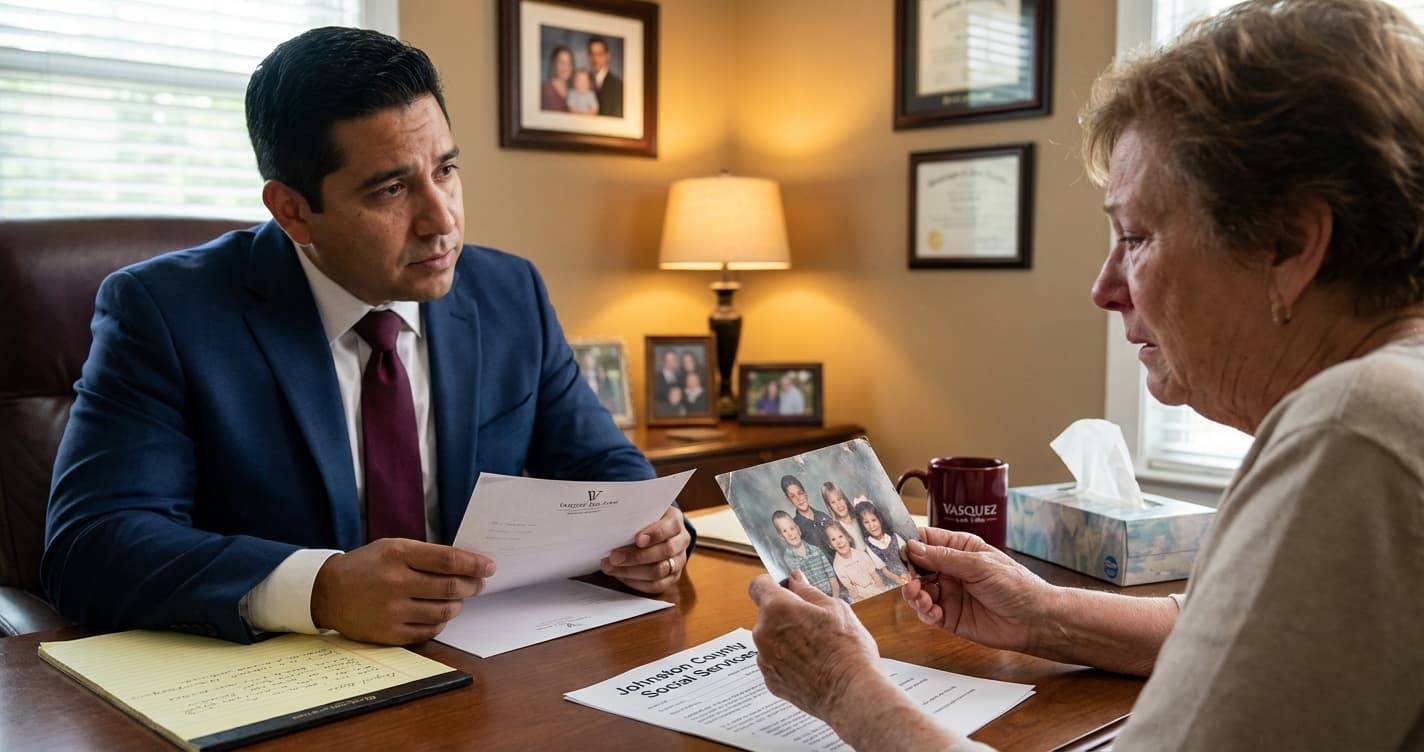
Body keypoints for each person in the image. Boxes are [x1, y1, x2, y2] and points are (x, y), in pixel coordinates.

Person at [747, 1, 1424, 748]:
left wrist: (845, 689)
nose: (1105, 288)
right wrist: (1044, 613)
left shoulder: (1357, 429)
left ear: (1290, 242)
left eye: (1136, 237)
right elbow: (1243, 636)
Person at [42, 27, 692, 647]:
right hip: (283, 680)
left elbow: (601, 469)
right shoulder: (165, 313)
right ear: (292, 211)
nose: (441, 221)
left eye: (445, 170)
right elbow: (93, 544)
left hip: (492, 666)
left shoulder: (508, 292)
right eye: (391, 189)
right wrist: (319, 590)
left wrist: (657, 535)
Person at [823, 521, 906, 602]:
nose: (839, 542)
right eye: (833, 539)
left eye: (840, 536)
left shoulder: (861, 555)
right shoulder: (837, 565)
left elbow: (875, 576)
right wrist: (859, 598)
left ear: (847, 537)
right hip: (859, 594)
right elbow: (850, 589)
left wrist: (881, 590)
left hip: (875, 586)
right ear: (830, 545)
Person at [770, 511, 839, 600]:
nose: (791, 534)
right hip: (813, 601)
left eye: (792, 528)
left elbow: (832, 577)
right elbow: (801, 590)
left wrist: (835, 599)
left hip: (834, 597)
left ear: (798, 530)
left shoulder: (816, 550)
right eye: (785, 531)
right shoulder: (788, 560)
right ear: (781, 536)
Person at [781, 474, 833, 559]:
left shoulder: (823, 516)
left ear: (805, 493)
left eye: (800, 493)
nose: (799, 498)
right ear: (789, 500)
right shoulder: (794, 528)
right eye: (793, 496)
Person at [854, 501, 910, 579]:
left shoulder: (894, 537)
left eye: (874, 520)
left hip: (909, 572)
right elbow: (884, 570)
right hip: (894, 578)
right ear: (862, 526)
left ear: (879, 519)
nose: (872, 525)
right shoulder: (870, 547)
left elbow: (908, 557)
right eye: (866, 522)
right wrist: (899, 580)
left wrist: (909, 573)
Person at [820, 482, 865, 551]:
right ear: (829, 506)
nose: (839, 505)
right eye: (833, 502)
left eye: (839, 499)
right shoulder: (836, 528)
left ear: (844, 499)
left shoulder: (859, 516)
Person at [587, 36, 623, 117]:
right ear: (588, 57)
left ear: (607, 56)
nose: (595, 59)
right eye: (592, 54)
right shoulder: (583, 81)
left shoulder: (618, 86)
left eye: (599, 54)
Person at [539, 45, 573, 112]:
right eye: (561, 62)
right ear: (554, 64)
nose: (565, 66)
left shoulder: (574, 90)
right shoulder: (546, 89)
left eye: (568, 62)